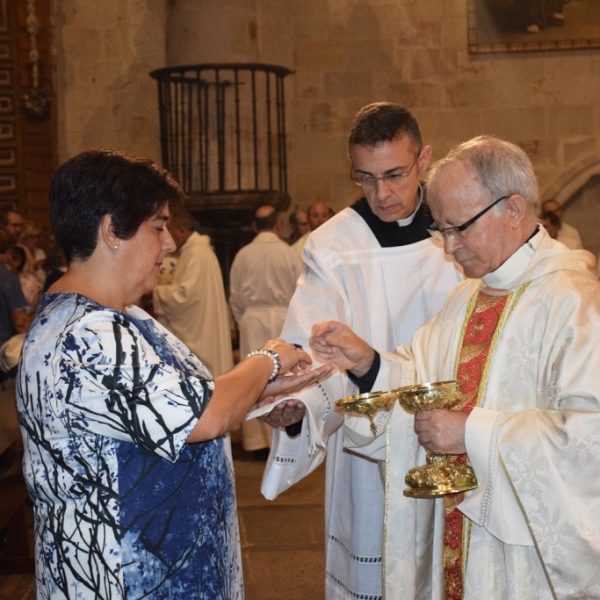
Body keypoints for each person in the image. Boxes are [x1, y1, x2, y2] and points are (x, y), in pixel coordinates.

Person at [16, 149, 331, 599]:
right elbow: (203, 415)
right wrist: (269, 359)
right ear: (111, 231)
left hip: (167, 562)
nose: (170, 243)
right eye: (158, 227)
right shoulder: (83, 333)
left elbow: (172, 405)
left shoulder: (124, 318)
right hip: (123, 575)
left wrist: (258, 393)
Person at [310, 135, 600, 599]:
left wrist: (472, 433)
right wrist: (368, 364)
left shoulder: (573, 302)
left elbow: (589, 441)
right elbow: (422, 384)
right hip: (459, 545)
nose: (448, 247)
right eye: (441, 230)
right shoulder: (467, 296)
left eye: (459, 228)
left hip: (524, 565)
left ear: (513, 209)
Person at [260, 102, 463, 599]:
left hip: (456, 432)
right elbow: (312, 344)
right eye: (365, 178)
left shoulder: (460, 228)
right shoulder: (332, 245)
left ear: (424, 160)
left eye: (395, 174)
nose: (382, 193)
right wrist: (296, 408)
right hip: (369, 448)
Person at [229, 205, 303, 459]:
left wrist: (245, 320)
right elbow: (300, 291)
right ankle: (283, 435)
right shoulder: (289, 253)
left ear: (254, 227)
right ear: (278, 225)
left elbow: (235, 296)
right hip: (284, 317)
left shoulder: (243, 254)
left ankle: (255, 441)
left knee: (254, 377)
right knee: (286, 377)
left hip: (253, 319)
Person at [153, 206, 233, 376]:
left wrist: (156, 292)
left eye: (170, 231)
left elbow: (185, 297)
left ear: (181, 230)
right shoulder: (199, 250)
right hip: (204, 323)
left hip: (200, 330)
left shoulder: (195, 253)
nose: (168, 239)